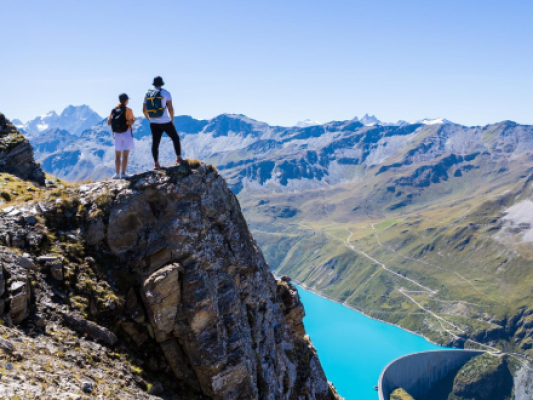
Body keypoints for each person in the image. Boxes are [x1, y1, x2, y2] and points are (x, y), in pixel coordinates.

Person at [143, 76, 183, 168]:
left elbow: (144, 110)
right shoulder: (165, 93)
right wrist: (171, 120)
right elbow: (170, 108)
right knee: (175, 138)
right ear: (161, 84)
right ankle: (178, 158)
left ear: (154, 84)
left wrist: (150, 119)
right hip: (165, 121)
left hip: (153, 122)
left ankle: (156, 163)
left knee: (155, 143)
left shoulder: (147, 93)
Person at [108, 93, 135, 179]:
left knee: (117, 155)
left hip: (117, 133)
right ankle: (123, 173)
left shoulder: (113, 110)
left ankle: (117, 174)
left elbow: (109, 122)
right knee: (125, 154)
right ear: (126, 101)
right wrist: (132, 121)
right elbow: (131, 122)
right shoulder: (129, 110)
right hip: (126, 132)